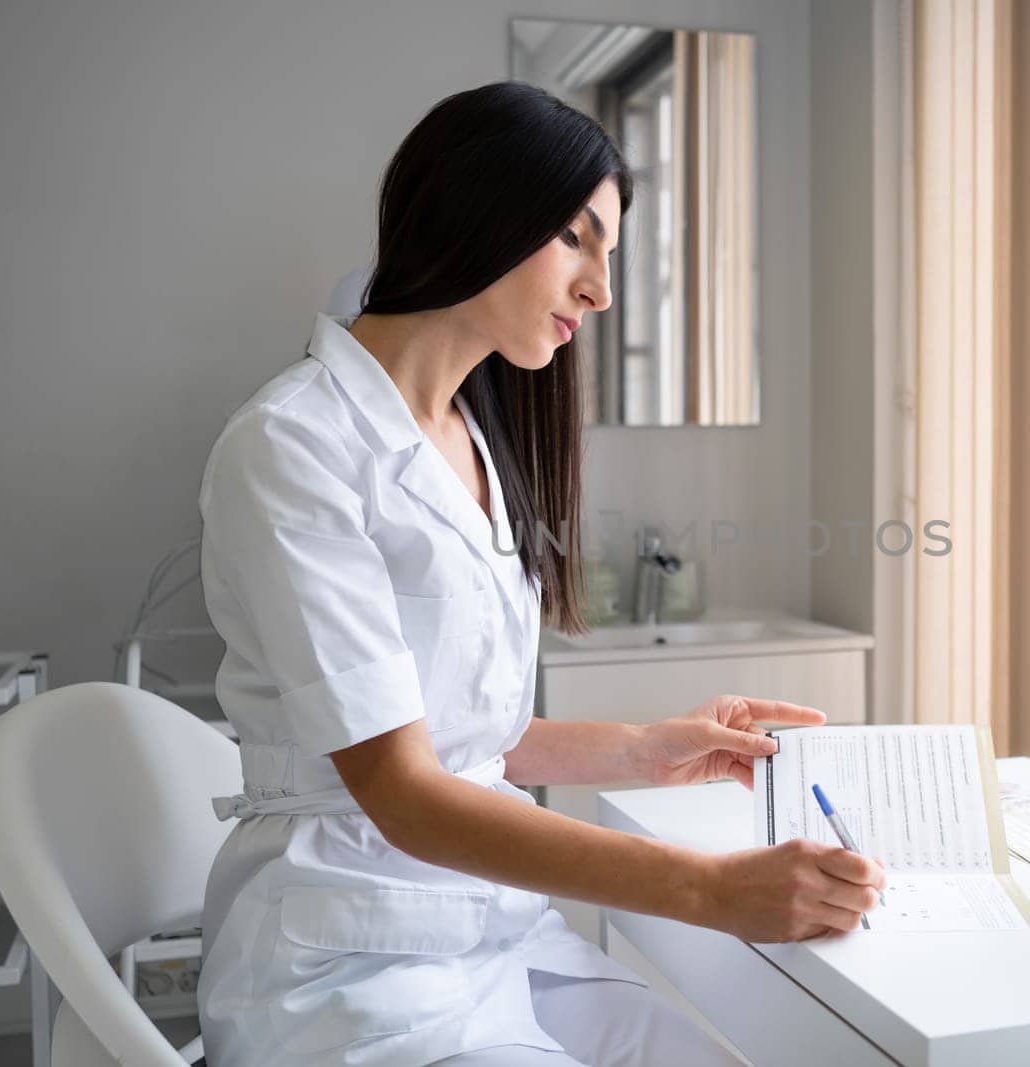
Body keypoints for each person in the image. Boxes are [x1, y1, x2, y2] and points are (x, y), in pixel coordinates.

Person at [194, 82, 886, 1067]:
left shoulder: (472, 438)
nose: (600, 289)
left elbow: (476, 741)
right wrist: (706, 887)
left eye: (606, 252)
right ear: (473, 210)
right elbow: (404, 791)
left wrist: (652, 744)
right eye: (576, 237)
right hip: (354, 970)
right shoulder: (293, 445)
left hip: (496, 943)